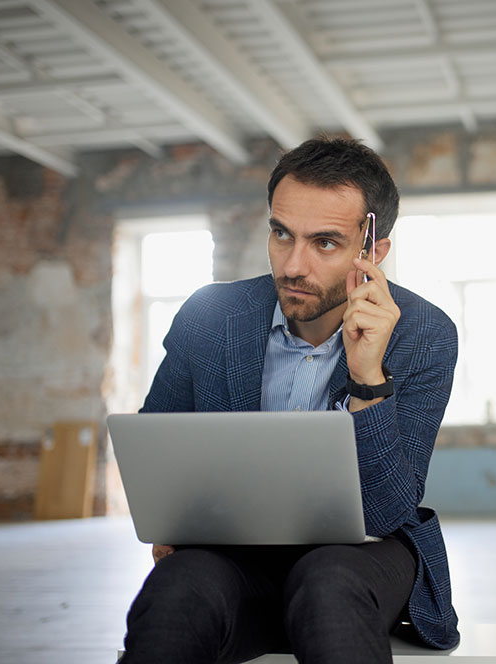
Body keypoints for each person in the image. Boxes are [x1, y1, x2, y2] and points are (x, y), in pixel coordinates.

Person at [120, 137, 460, 663]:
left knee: (327, 583)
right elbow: (155, 451)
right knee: (178, 589)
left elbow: (388, 510)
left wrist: (367, 376)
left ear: (373, 252)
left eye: (324, 243)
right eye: (282, 234)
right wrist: (173, 525)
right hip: (235, 557)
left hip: (361, 560)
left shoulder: (424, 334)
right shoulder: (210, 317)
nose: (293, 265)